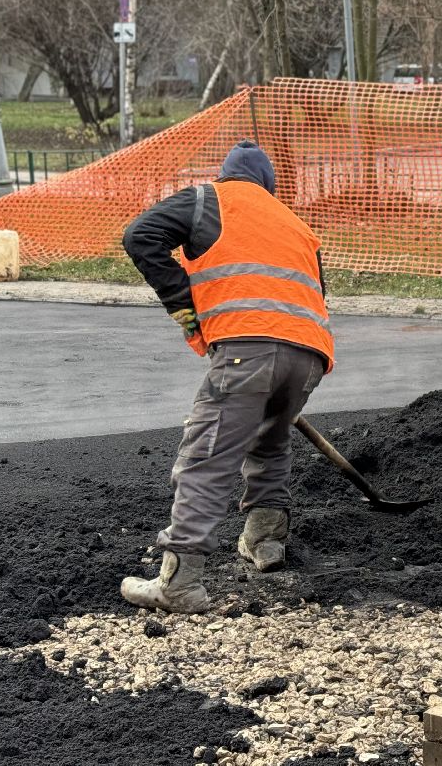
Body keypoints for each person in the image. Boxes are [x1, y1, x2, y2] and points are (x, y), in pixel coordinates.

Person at [116, 139, 333, 613]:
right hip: (309, 354)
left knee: (207, 456)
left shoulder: (208, 198)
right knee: (270, 440)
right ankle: (266, 542)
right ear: (268, 185)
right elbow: (316, 297)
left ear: (227, 175)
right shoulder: (295, 224)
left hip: (247, 350)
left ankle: (178, 585)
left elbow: (140, 237)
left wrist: (187, 310)